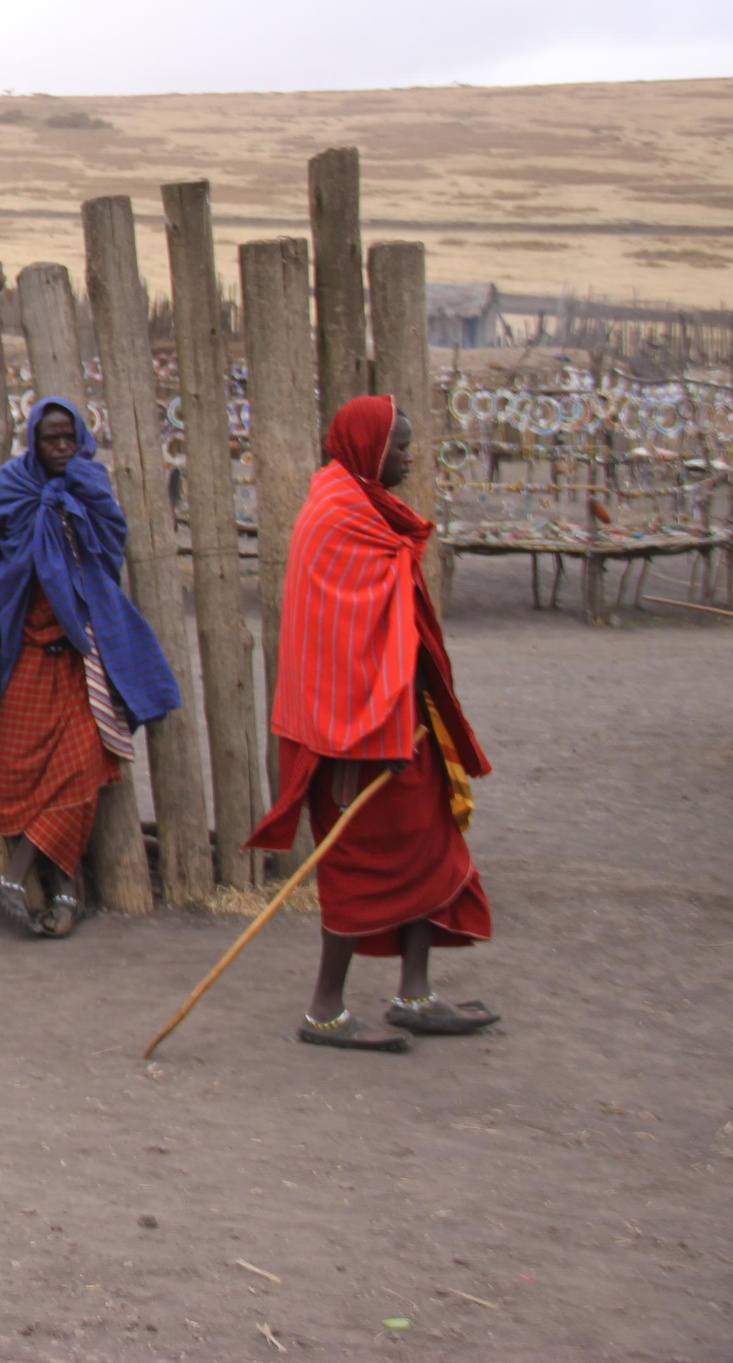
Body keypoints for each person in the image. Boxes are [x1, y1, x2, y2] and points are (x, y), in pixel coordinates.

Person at [248, 394, 496, 1051]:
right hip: (355, 737)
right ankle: (324, 1010)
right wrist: (362, 740)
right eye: (401, 445)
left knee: (432, 848)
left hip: (406, 722)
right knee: (358, 864)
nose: (410, 457)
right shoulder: (335, 516)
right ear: (367, 447)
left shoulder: (371, 512)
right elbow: (333, 644)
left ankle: (414, 993)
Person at [0, 397, 181, 937]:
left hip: (84, 657)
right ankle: (65, 894)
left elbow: (109, 554)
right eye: (49, 439)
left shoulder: (93, 487)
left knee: (81, 772)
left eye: (68, 438)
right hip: (26, 654)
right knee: (15, 772)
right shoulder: (6, 491)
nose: (60, 448)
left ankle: (21, 881)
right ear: (33, 441)